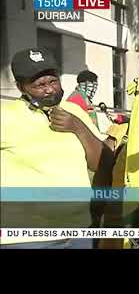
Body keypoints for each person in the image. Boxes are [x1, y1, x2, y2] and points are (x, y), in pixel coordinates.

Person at [1, 48, 114, 249]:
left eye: (53, 81)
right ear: (21, 87)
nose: (49, 89)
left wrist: (78, 127)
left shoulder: (74, 110)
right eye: (39, 85)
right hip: (26, 238)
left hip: (78, 231)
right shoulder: (6, 116)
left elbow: (102, 163)